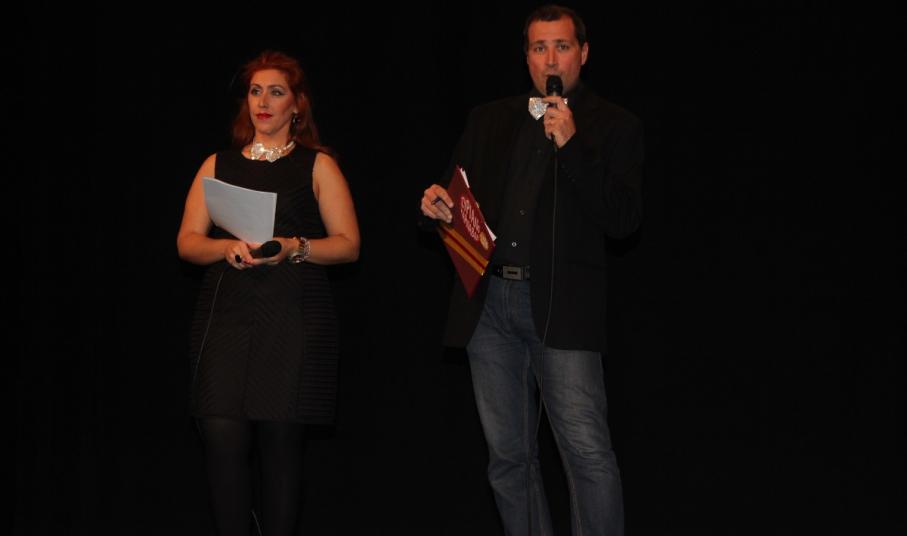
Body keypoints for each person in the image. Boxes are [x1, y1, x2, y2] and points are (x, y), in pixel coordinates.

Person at [421, 6, 642, 535]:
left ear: (583, 53)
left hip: (563, 308)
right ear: (526, 57)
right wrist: (435, 206)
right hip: (489, 307)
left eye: (562, 46)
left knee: (586, 453)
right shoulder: (489, 119)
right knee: (508, 458)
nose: (551, 59)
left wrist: (572, 144)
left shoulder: (614, 125)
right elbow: (455, 197)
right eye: (539, 47)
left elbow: (623, 220)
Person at [177, 50, 359, 536]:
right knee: (221, 436)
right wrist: (224, 247)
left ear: (296, 105)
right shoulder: (218, 164)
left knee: (280, 442)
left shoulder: (317, 165)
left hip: (292, 313)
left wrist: (295, 247)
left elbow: (348, 245)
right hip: (228, 314)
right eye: (255, 91)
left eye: (275, 92)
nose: (262, 101)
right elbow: (187, 241)